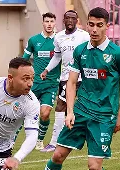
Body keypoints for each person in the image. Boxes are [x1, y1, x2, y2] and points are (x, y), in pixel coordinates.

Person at [14, 7, 120, 170]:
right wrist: (69, 111)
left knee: (94, 167)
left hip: (104, 116)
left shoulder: (117, 54)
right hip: (80, 111)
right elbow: (71, 82)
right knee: (58, 155)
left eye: (99, 25)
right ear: (86, 25)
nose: (95, 29)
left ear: (107, 26)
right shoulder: (80, 51)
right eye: (91, 24)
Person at [39, 10, 90, 152]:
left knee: (85, 107)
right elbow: (56, 57)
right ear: (64, 20)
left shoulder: (84, 36)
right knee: (61, 106)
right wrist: (46, 70)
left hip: (82, 77)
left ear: (77, 20)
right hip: (65, 78)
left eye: (73, 18)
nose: (70, 21)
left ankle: (86, 138)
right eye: (67, 18)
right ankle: (55, 142)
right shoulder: (59, 37)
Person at [22, 12, 61, 150]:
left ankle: (39, 140)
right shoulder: (34, 40)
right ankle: (12, 140)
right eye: (47, 21)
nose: (49, 24)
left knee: (44, 113)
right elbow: (24, 59)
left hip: (51, 84)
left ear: (55, 23)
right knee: (23, 111)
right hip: (34, 83)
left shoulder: (59, 40)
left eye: (52, 21)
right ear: (42, 23)